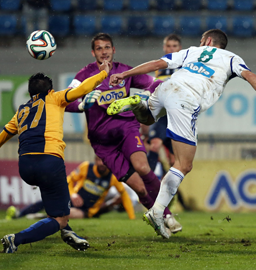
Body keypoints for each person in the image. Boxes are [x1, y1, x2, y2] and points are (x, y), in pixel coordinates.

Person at [108, 29, 256, 238]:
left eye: (202, 40)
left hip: (167, 87)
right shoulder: (231, 59)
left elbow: (157, 64)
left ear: (208, 41)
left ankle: (139, 103)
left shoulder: (191, 52)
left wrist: (124, 74)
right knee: (184, 164)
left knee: (146, 118)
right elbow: (250, 76)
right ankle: (157, 212)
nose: (199, 43)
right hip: (186, 99)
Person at [0, 60, 111, 253]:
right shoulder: (56, 98)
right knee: (59, 218)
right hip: (49, 162)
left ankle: (69, 233)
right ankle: (16, 239)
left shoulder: (22, 111)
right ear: (50, 90)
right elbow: (83, 88)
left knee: (54, 207)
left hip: (26, 166)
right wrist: (103, 73)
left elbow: (0, 138)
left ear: (29, 93)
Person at [65, 33, 182, 235]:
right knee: (139, 188)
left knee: (143, 167)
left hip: (126, 129)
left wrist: (160, 88)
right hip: (103, 143)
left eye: (107, 47)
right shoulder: (84, 75)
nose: (104, 52)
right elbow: (66, 100)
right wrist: (82, 104)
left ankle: (166, 215)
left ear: (113, 50)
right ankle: (157, 218)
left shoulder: (125, 71)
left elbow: (150, 83)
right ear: (93, 52)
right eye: (99, 48)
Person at [6, 156, 135, 220]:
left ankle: (39, 217)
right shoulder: (86, 167)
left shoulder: (112, 178)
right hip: (73, 199)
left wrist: (132, 217)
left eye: (104, 161)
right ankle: (20, 214)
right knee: (48, 200)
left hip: (87, 210)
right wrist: (73, 194)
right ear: (95, 160)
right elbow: (69, 180)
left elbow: (124, 194)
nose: (101, 164)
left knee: (67, 215)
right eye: (99, 160)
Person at [148, 34, 191, 212]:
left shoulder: (185, 67)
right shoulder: (159, 66)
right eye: (169, 46)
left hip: (177, 117)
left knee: (176, 162)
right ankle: (148, 187)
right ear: (164, 48)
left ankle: (167, 195)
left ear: (179, 49)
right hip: (162, 117)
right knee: (154, 145)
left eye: (175, 46)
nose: (171, 49)